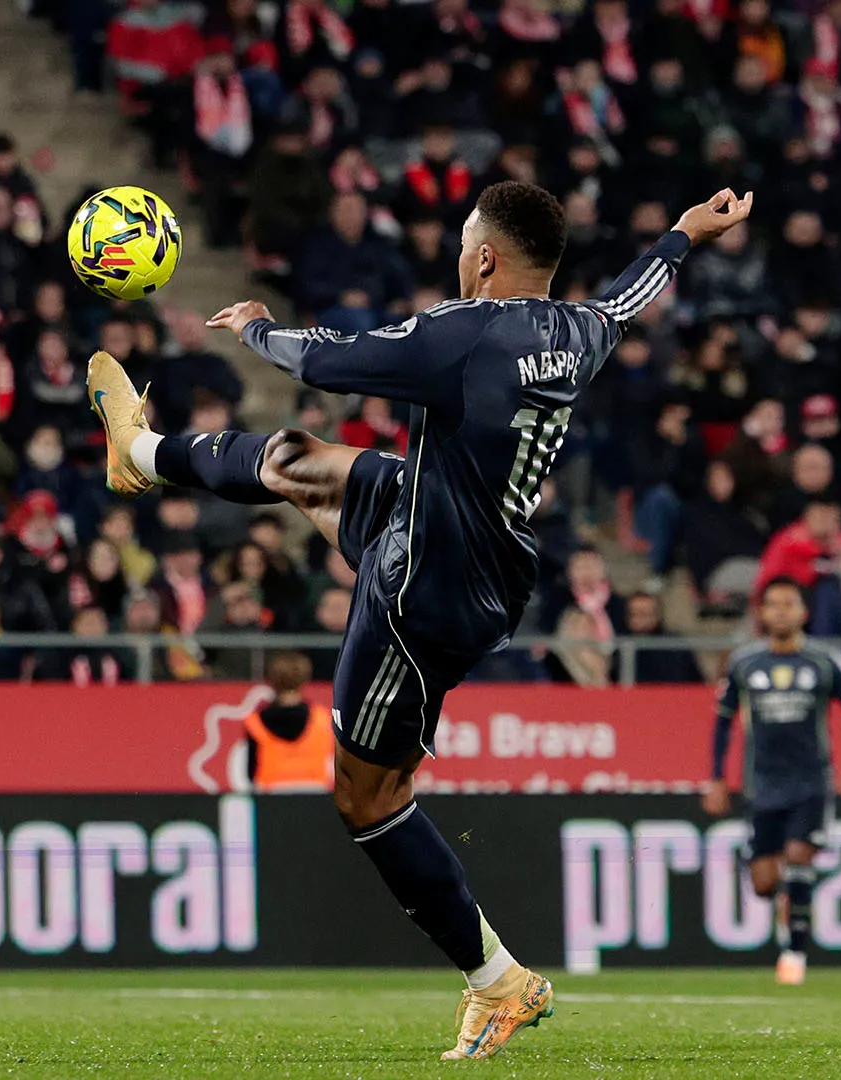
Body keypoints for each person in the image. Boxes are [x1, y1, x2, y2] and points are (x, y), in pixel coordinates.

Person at [87, 181, 754, 1059]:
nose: (458, 253)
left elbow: (325, 362)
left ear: (486, 257)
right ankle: (139, 453)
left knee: (366, 796)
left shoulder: (464, 332)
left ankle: (499, 981)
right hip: (467, 540)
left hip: (426, 592)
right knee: (296, 460)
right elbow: (629, 297)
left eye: (466, 240)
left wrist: (254, 326)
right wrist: (682, 234)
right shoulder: (579, 329)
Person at [704, 578, 841, 987]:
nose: (781, 612)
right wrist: (717, 779)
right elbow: (723, 723)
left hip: (811, 781)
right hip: (762, 785)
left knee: (799, 856)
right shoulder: (745, 663)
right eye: (773, 605)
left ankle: (794, 955)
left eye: (789, 604)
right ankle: (791, 901)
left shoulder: (824, 661)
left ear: (803, 612)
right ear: (762, 613)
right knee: (765, 883)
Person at [242, 651, 335, 793]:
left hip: (270, 795)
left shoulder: (254, 722)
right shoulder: (322, 718)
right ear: (304, 679)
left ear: (271, 680)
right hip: (315, 794)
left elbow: (250, 772)